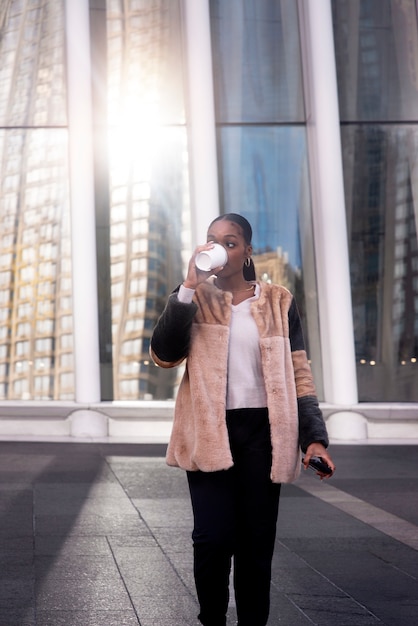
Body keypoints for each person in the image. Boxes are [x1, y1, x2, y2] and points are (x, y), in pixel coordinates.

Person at [150, 213, 335, 626]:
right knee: (213, 539)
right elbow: (163, 356)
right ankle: (212, 619)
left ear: (247, 250)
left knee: (255, 545)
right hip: (209, 431)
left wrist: (314, 439)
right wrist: (188, 288)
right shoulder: (195, 299)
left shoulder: (279, 301)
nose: (221, 248)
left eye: (231, 242)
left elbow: (299, 373)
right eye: (212, 241)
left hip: (264, 435)